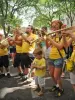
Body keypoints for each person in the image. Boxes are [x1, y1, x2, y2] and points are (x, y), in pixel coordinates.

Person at [47, 20, 66, 97]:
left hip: (59, 57)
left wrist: (50, 38)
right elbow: (49, 46)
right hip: (51, 57)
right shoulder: (53, 35)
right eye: (53, 24)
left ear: (60, 25)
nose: (54, 25)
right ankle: (57, 86)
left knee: (56, 76)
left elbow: (60, 46)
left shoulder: (63, 35)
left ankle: (61, 89)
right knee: (51, 74)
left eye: (56, 24)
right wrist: (45, 38)